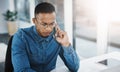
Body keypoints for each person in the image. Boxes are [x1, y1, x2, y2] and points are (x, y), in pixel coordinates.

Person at [12, 2, 79, 72]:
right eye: (44, 24)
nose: (48, 29)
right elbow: (22, 70)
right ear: (34, 21)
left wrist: (66, 44)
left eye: (52, 23)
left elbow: (75, 67)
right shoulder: (21, 37)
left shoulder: (57, 36)